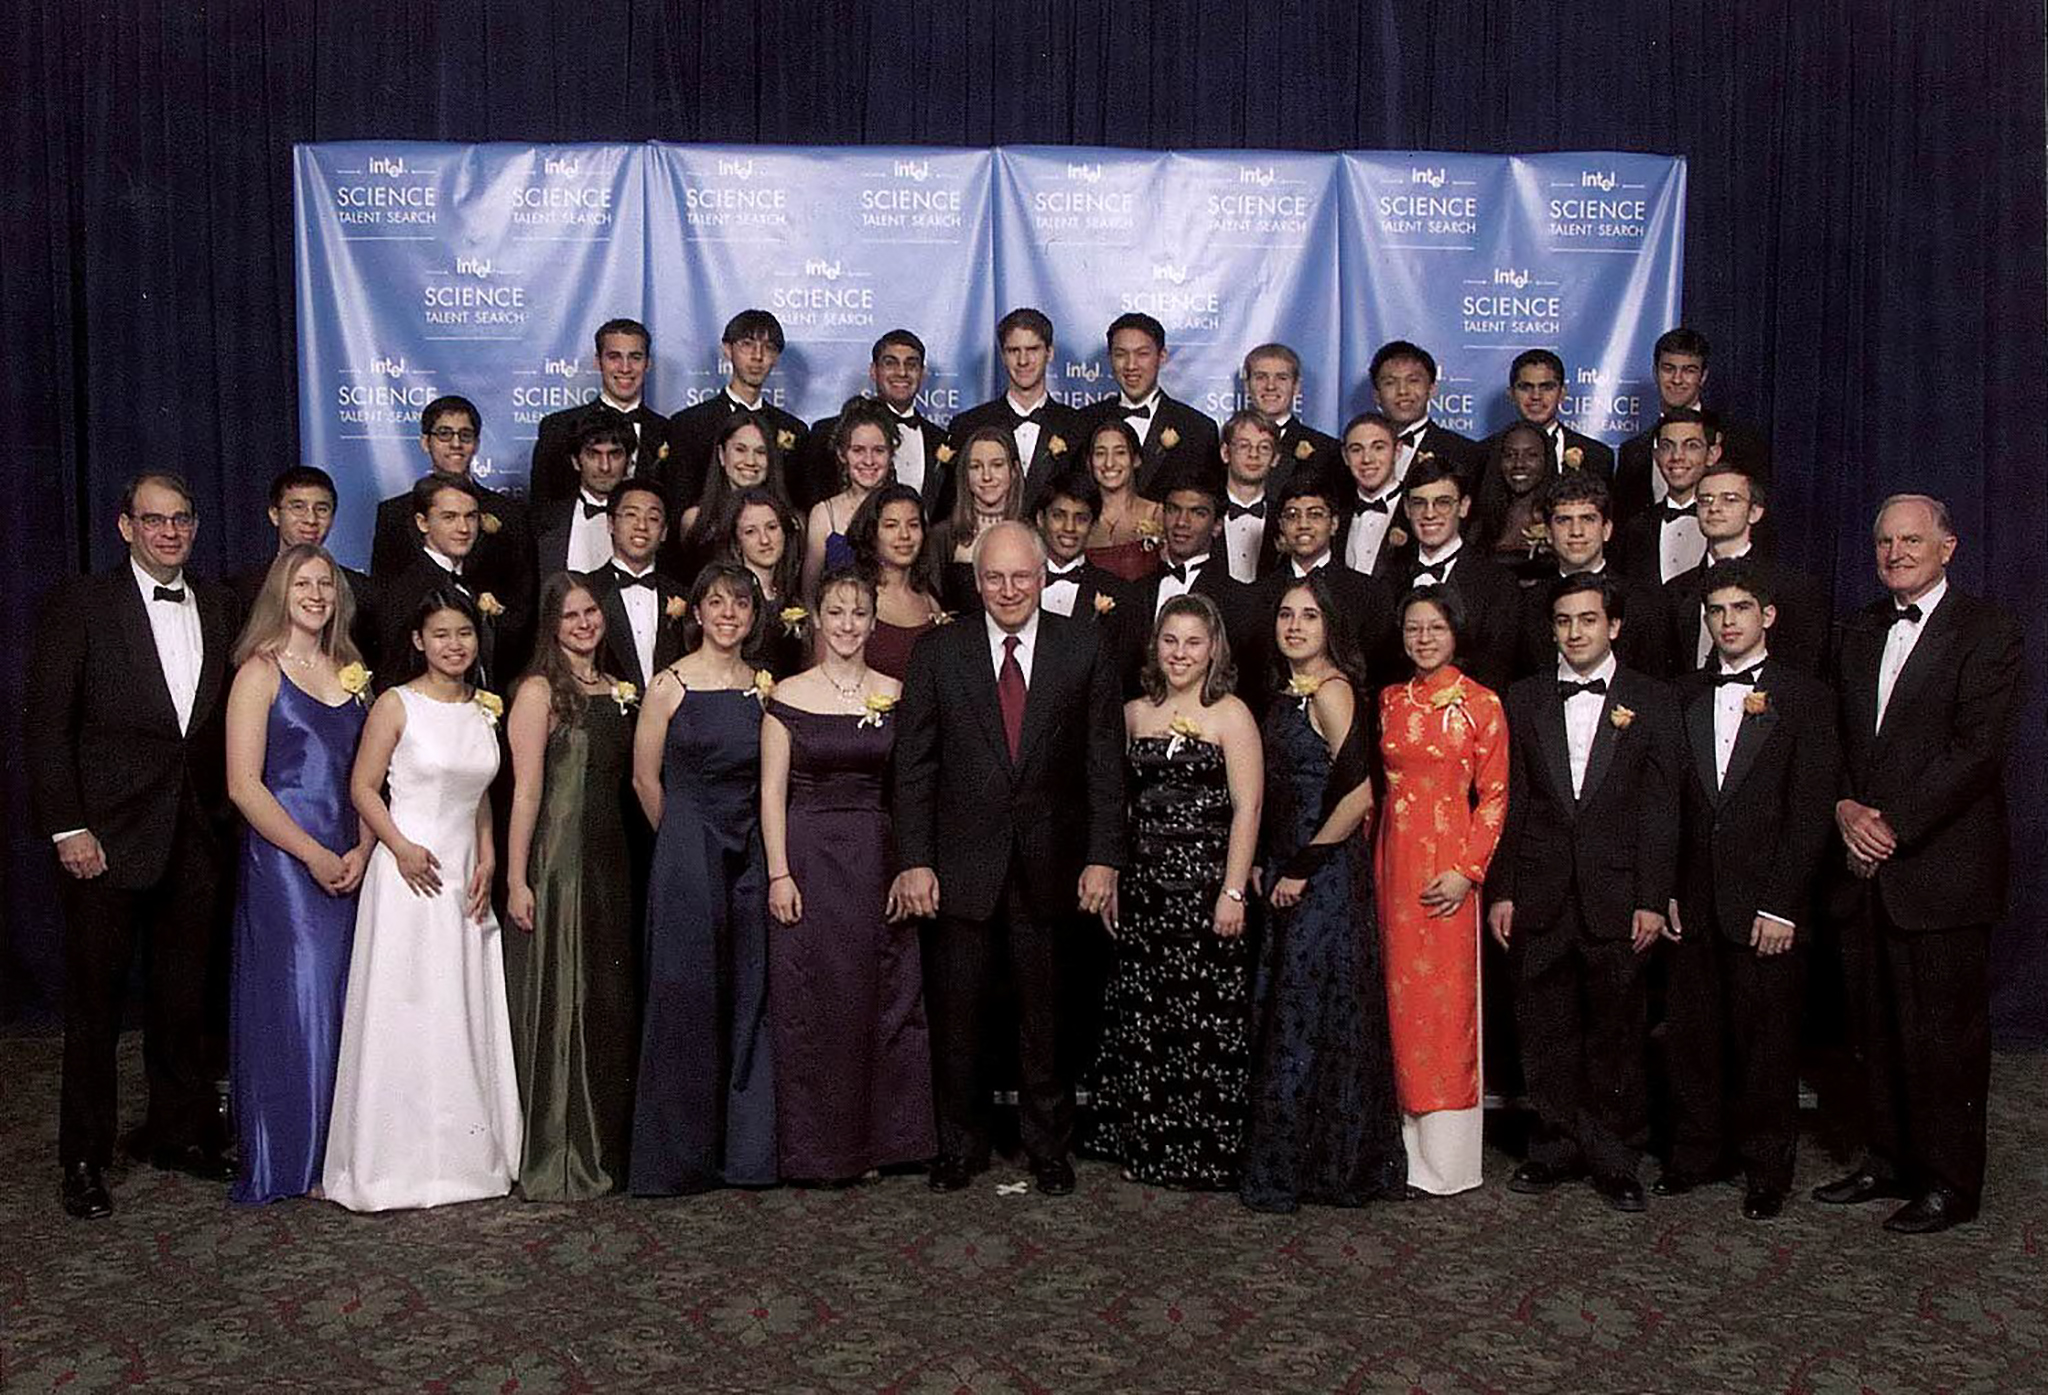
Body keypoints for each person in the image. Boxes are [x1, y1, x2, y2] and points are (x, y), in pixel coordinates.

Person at [890, 522, 1126, 1196]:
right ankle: (957, 1146)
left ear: (1043, 575)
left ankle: (1046, 1146)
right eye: (995, 577)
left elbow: (1103, 761)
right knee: (958, 1016)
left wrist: (1104, 856)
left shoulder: (1084, 646)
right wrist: (915, 859)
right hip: (958, 867)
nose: (1009, 589)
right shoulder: (939, 650)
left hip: (1053, 866)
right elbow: (914, 766)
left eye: (1022, 576)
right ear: (977, 580)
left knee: (1045, 1018)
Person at [29, 473, 237, 1219]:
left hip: (195, 833)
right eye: (154, 520)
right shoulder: (82, 604)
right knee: (94, 1006)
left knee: (184, 999)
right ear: (125, 526)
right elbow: (48, 727)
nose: (169, 532)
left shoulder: (217, 602)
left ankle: (177, 1133)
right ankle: (83, 1155)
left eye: (181, 519)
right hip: (106, 838)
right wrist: (68, 826)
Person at [1816, 495, 2023, 1234]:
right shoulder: (1860, 627)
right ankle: (1886, 1158)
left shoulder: (1988, 630)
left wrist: (1891, 826)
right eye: (1884, 541)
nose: (1896, 552)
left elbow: (1977, 751)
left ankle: (1949, 1181)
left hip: (1942, 869)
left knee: (1944, 1035)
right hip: (1861, 864)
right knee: (1873, 1026)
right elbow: (1832, 732)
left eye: (1911, 539)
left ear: (1948, 547)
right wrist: (1844, 806)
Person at [323, 589, 522, 1211]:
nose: (454, 645)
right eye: (441, 634)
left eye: (464, 633)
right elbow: (362, 787)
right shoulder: (395, 704)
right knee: (409, 1008)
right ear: (418, 640)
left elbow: (480, 793)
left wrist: (488, 855)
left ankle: (466, 1159)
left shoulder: (483, 708)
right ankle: (396, 1165)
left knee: (459, 1007)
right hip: (410, 873)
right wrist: (401, 847)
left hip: (465, 874)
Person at [1488, 573, 1681, 1213]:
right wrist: (1505, 890)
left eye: (1588, 620)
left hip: (1618, 896)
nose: (1575, 632)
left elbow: (1661, 808)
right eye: (1564, 621)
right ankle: (1555, 1147)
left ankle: (1614, 1156)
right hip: (1540, 891)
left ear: (1614, 626)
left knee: (1618, 1033)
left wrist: (1653, 897)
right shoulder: (1523, 697)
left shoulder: (1652, 699)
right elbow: (1511, 803)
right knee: (1542, 1028)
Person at [1662, 564, 1840, 1221]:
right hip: (1695, 899)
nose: (1728, 619)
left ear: (1768, 615)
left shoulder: (1807, 697)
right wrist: (1669, 889)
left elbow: (1809, 809)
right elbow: (1674, 809)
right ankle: (1696, 1153)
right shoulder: (1679, 694)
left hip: (1767, 905)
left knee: (1766, 1042)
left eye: (1740, 607)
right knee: (1692, 1035)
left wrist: (1782, 902)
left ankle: (1768, 1169)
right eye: (1716, 609)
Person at [760, 567, 936, 1183]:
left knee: (882, 997)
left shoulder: (895, 689)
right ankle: (820, 1151)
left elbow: (910, 788)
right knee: (817, 1000)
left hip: (875, 856)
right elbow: (770, 794)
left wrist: (907, 863)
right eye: (835, 613)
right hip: (809, 857)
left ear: (872, 621)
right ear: (816, 619)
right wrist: (779, 873)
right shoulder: (786, 694)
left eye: (858, 614)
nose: (847, 626)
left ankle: (883, 1145)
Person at [1240, 571, 1403, 1211]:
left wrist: (1302, 866)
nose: (1295, 627)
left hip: (1325, 872)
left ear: (1331, 626)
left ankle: (1322, 1168)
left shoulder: (1332, 690)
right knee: (1296, 1010)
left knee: (1312, 1012)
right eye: (1286, 615)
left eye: (1308, 616)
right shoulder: (1288, 691)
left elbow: (1360, 795)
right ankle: (1307, 1163)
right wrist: (1266, 860)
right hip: (1289, 863)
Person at [1088, 594, 1262, 1189]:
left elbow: (1249, 808)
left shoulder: (1232, 714)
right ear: (1154, 648)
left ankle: (1201, 1151)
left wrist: (1233, 891)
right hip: (1144, 885)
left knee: (1200, 1020)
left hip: (1206, 886)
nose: (1180, 653)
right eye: (1170, 641)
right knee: (1145, 1016)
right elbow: (1117, 802)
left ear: (1213, 649)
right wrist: (1111, 875)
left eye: (1193, 642)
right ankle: (1146, 1142)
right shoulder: (1134, 713)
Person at [223, 544, 372, 1204]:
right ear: (280, 592)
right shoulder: (258, 671)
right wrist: (311, 853)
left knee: (349, 996)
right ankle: (296, 1155)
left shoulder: (350, 671)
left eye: (326, 583)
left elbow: (372, 776)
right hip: (287, 858)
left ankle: (341, 1156)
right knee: (300, 999)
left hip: (350, 853)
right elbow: (243, 786)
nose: (316, 593)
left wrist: (364, 849)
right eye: (303, 582)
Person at [628, 564, 776, 1193]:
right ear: (697, 612)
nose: (728, 614)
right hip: (689, 845)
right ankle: (678, 1161)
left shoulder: (763, 689)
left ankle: (744, 1156)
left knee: (749, 993)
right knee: (686, 997)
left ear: (753, 615)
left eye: (739, 604)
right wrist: (683, 841)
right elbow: (644, 780)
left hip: (750, 847)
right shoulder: (669, 685)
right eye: (716, 603)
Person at [502, 573, 640, 1200]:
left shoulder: (617, 689)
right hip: (559, 859)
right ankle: (561, 1151)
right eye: (571, 616)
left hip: (612, 856)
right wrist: (516, 875)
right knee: (568, 997)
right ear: (551, 626)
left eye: (591, 612)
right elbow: (525, 790)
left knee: (606, 999)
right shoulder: (537, 691)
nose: (584, 624)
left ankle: (605, 1141)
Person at [1376, 586, 1508, 1196]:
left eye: (1434, 628)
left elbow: (1496, 796)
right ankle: (1403, 1153)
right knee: (1396, 1003)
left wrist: (1468, 870)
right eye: (1412, 628)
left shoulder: (1481, 705)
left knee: (1446, 1006)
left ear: (1457, 632)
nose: (1423, 639)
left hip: (1449, 866)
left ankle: (1449, 1161)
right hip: (1393, 862)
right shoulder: (1388, 700)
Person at [370, 396, 533, 663]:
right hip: (417, 663)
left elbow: (522, 600)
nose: (456, 444)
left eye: (465, 435)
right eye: (445, 434)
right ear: (426, 442)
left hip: (497, 662)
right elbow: (385, 598)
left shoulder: (511, 514)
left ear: (477, 444)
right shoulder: (393, 514)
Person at [1661, 465, 1828, 674]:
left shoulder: (1795, 590)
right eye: (1705, 500)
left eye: (1729, 499)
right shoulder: (1673, 591)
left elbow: (1801, 675)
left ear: (1755, 512)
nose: (1714, 508)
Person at [1512, 472, 1671, 680]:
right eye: (1564, 520)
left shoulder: (1643, 603)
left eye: (1587, 519)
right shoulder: (1525, 606)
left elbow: (1656, 689)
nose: (1576, 531)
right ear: (1548, 533)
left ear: (1606, 530)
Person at [1252, 473, 1398, 699]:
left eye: (1315, 515)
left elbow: (1380, 673)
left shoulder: (1369, 593)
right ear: (1280, 525)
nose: (1303, 525)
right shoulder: (1257, 594)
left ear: (1334, 524)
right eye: (1292, 516)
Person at [1612, 328, 1771, 526]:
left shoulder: (1741, 442)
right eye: (1668, 369)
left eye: (1689, 370)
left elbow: (1761, 521)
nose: (1677, 380)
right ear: (1655, 372)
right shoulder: (1632, 452)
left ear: (1703, 376)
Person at [228, 465, 380, 669]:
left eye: (322, 509)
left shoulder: (362, 591)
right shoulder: (238, 591)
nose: (311, 519)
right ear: (274, 514)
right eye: (298, 507)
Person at [1391, 456, 1521, 693]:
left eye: (1442, 502)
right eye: (1419, 503)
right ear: (1407, 510)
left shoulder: (1498, 582)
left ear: (1463, 506)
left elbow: (1498, 668)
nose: (1429, 514)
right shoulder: (1389, 579)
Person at [663, 309, 809, 513]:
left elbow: (798, 507)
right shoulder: (688, 424)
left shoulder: (795, 430)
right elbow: (679, 503)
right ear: (727, 349)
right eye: (747, 345)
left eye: (768, 348)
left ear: (776, 358)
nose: (757, 356)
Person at [946, 307, 1087, 513]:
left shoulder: (1078, 426)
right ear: (1003, 355)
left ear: (1049, 353)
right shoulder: (967, 426)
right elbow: (955, 506)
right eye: (1014, 351)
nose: (1023, 361)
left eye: (1032, 350)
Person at [377, 474, 504, 690]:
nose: (464, 528)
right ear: (422, 523)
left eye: (470, 517)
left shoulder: (474, 580)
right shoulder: (407, 591)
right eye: (449, 517)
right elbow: (394, 676)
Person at [804, 329, 950, 515]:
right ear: (873, 371)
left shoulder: (940, 439)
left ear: (922, 374)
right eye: (891, 363)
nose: (902, 372)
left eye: (911, 365)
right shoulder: (828, 433)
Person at [1078, 312, 1221, 499]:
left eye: (1142, 354)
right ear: (1110, 358)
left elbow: (1209, 505)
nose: (1131, 365)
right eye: (1121, 354)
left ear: (1161, 356)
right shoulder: (1083, 423)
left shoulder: (1198, 429)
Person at [530, 318, 667, 503]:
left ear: (647, 363)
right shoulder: (558, 428)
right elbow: (542, 507)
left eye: (635, 357)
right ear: (598, 362)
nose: (625, 368)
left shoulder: (670, 431)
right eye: (614, 357)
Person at [582, 479, 688, 693]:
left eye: (653, 518)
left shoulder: (684, 595)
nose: (641, 526)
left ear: (664, 532)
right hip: (607, 717)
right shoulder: (585, 591)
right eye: (631, 515)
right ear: (611, 523)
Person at [673, 413, 794, 581]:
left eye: (760, 452)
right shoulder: (695, 520)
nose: (750, 461)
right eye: (740, 450)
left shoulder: (792, 520)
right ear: (722, 455)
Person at [847, 482, 948, 682]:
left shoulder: (930, 598)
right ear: (871, 532)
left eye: (913, 525)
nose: (904, 535)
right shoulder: (852, 596)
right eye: (891, 525)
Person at [803, 398, 899, 599]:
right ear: (841, 454)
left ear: (891, 454)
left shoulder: (908, 509)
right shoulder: (823, 514)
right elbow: (810, 592)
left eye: (879, 451)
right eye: (858, 450)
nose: (869, 460)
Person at [715, 486, 810, 677]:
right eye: (751, 532)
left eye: (772, 528)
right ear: (736, 542)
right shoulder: (724, 598)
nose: (765, 540)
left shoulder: (793, 596)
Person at [931, 425, 1024, 612]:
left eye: (997, 465)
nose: (986, 476)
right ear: (965, 474)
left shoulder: (1031, 534)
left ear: (1013, 471)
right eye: (975, 467)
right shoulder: (943, 536)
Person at [1484, 349, 1614, 481]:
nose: (1536, 396)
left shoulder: (1597, 456)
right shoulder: (1485, 453)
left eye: (1547, 387)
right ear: (1511, 394)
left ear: (1562, 393)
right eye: (1525, 387)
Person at [1615, 408, 1713, 584]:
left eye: (1691, 446)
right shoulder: (1635, 530)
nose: (1677, 456)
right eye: (1667, 446)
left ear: (1712, 455)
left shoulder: (1727, 523)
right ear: (1656, 456)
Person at [1369, 340, 1483, 487]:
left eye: (1413, 381)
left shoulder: (1465, 453)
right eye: (1390, 383)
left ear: (1431, 389)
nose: (1403, 391)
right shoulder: (1356, 453)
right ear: (1377, 395)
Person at [533, 417, 634, 576]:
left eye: (614, 455)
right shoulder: (543, 522)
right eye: (593, 454)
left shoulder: (649, 525)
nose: (605, 467)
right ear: (575, 461)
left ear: (628, 462)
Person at [1034, 469, 1129, 625]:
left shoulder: (1118, 592)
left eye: (1081, 519)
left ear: (1093, 526)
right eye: (1058, 516)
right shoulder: (1016, 584)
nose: (1069, 528)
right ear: (1040, 519)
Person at [1470, 420, 1558, 584]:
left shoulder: (1559, 518)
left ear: (1546, 461)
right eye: (1510, 455)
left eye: (1531, 455)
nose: (1519, 464)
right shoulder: (1481, 522)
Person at [1242, 342, 1337, 493]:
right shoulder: (1227, 446)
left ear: (1296, 387)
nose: (1270, 386)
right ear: (1247, 386)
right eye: (1261, 377)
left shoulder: (1326, 450)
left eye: (1281, 378)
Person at [1081, 418, 1165, 584]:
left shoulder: (1158, 514)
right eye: (1100, 453)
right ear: (1089, 463)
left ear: (1136, 460)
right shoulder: (1080, 519)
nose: (1109, 463)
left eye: (1120, 452)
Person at [1332, 412, 1408, 584]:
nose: (1367, 459)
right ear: (1345, 456)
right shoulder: (1335, 512)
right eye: (1357, 450)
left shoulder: (1417, 511)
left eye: (1378, 447)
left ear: (1398, 451)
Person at [1217, 410, 1286, 583]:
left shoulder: (1284, 518)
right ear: (1225, 453)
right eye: (1243, 445)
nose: (1253, 455)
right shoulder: (1205, 514)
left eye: (1264, 447)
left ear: (1275, 458)